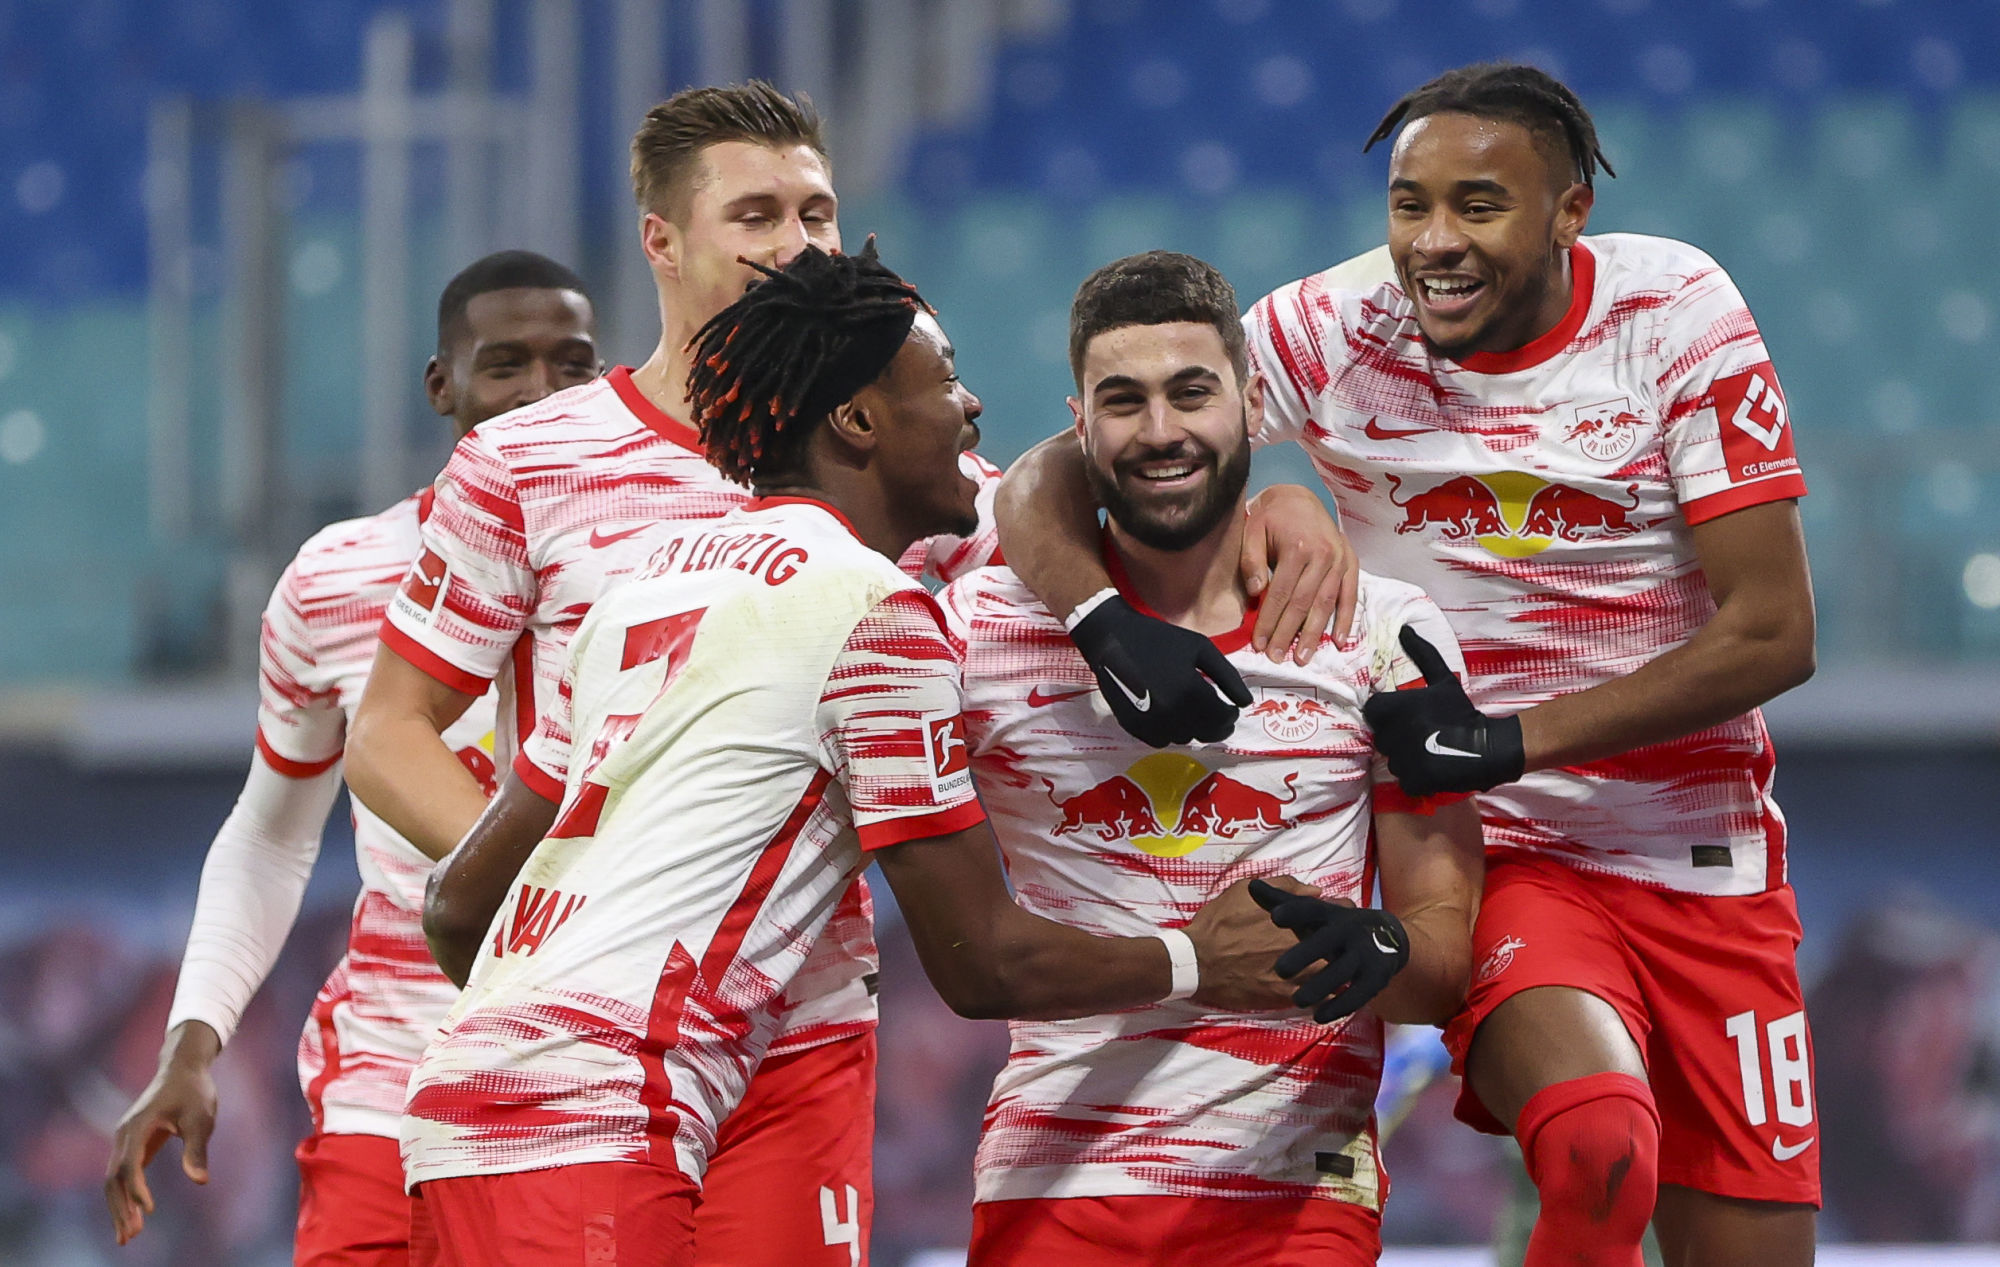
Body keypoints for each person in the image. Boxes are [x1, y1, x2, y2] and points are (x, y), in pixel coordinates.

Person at [347, 79, 1341, 1263]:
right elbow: (979, 957)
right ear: (661, 240)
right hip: (627, 1088)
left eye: (815, 213)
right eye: (755, 215)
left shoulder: (642, 581)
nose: (971, 406)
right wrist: (1197, 959)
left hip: (511, 1084)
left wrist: (1277, 505)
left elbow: (461, 905)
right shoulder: (867, 603)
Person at [996, 62, 1819, 1267]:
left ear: (1569, 211)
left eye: (1477, 205)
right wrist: (1103, 615)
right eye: (1407, 204)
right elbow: (1074, 461)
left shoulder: (1675, 311)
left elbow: (1773, 632)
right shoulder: (1336, 325)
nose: (1432, 241)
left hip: (1704, 859)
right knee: (1598, 1149)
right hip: (1505, 858)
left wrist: (1508, 737)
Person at [942, 250, 1483, 1266]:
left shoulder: (1382, 631)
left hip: (1298, 1196)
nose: (1160, 431)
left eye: (1192, 392)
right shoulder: (977, 631)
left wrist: (1376, 950)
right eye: (1124, 401)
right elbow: (960, 944)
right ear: (1078, 424)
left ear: (1250, 403)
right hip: (1053, 1188)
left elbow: (1442, 965)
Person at [103, 251, 600, 1261]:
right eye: (506, 363)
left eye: (572, 364)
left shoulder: (667, 571)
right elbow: (270, 836)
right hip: (391, 1089)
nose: (541, 392)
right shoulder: (339, 579)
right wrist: (192, 1040)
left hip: (600, 1090)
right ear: (442, 385)